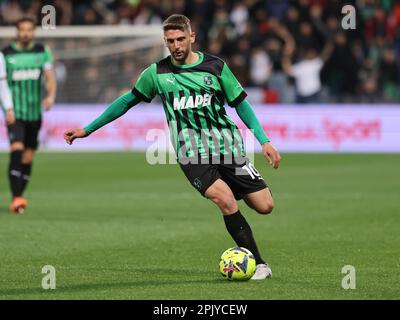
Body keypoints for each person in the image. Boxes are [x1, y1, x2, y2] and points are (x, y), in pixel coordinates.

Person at [64, 14, 281, 280]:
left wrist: (264, 140)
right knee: (224, 200)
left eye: (180, 39)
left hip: (227, 147)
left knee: (264, 205)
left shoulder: (215, 67)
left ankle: (236, 192)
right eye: (170, 41)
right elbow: (126, 102)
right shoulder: (156, 73)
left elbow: (241, 104)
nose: (176, 45)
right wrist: (88, 129)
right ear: (165, 42)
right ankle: (259, 264)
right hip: (190, 153)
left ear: (192, 37)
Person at [2, 17, 57, 213]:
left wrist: (50, 96)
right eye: (22, 30)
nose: (25, 33)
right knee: (16, 151)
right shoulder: (6, 54)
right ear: (16, 32)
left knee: (27, 158)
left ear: (33, 31)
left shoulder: (42, 51)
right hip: (15, 114)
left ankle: (19, 196)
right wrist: (7, 108)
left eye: (29, 30)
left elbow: (50, 78)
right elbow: (2, 83)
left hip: (35, 113)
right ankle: (16, 198)